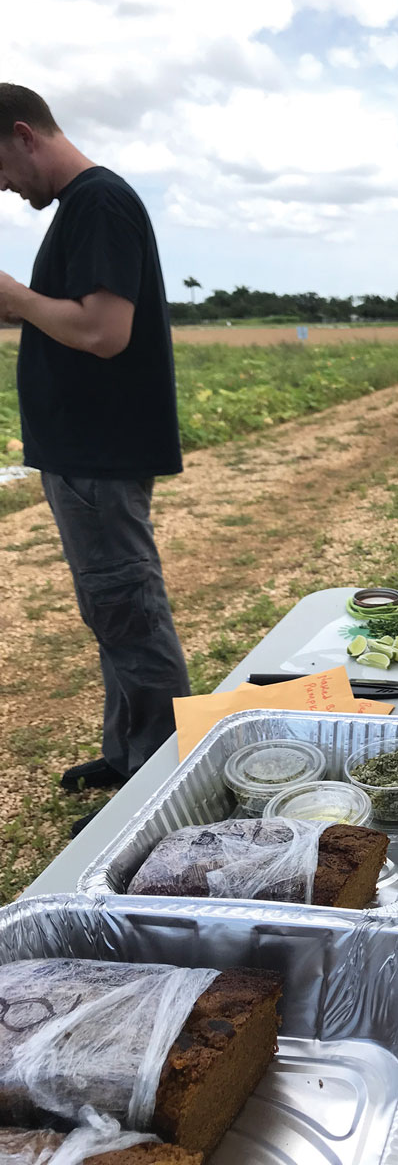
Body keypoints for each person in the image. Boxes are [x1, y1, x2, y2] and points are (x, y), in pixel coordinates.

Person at [0, 83, 190, 834]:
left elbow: (104, 330)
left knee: (129, 610)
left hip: (98, 454)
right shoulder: (85, 208)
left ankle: (159, 786)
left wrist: (16, 298)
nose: (5, 187)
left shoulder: (99, 202)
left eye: (2, 169)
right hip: (83, 453)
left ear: (23, 135)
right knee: (111, 612)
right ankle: (129, 752)